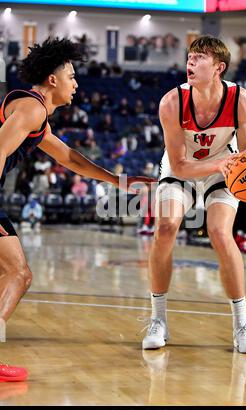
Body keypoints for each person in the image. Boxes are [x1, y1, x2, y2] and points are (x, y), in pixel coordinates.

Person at [0, 38, 154, 335]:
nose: (76, 84)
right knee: (17, 273)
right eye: (71, 77)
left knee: (17, 273)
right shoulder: (32, 109)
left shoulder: (36, 116)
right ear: (53, 79)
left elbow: (70, 157)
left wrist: (119, 181)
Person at [142, 35, 246, 353]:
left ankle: (242, 325)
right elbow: (179, 165)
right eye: (189, 56)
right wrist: (220, 165)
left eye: (199, 57)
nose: (190, 62)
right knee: (165, 228)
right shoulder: (171, 102)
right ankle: (158, 319)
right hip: (184, 168)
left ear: (219, 67)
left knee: (219, 231)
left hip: (226, 166)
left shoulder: (239, 99)